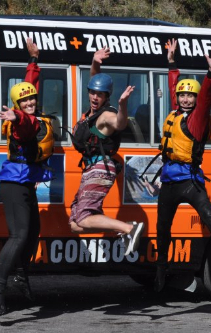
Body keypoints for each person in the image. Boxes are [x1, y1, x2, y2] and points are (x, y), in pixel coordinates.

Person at [153, 39, 211, 292]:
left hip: (190, 180)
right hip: (170, 180)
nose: (187, 99)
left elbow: (206, 98)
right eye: (183, 95)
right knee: (162, 228)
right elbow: (173, 88)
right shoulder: (175, 113)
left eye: (191, 95)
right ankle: (161, 269)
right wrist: (171, 63)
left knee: (209, 216)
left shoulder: (197, 120)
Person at [0, 39, 54, 315]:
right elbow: (26, 125)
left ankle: (21, 274)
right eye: (24, 101)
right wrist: (16, 117)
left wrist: (33, 61)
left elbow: (27, 88)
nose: (29, 102)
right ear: (17, 105)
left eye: (32, 99)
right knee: (19, 235)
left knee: (33, 233)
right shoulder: (22, 123)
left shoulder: (30, 109)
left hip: (25, 181)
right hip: (14, 183)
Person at [69, 47, 143, 256]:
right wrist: (95, 61)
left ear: (106, 97)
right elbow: (96, 78)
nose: (94, 97)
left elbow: (119, 123)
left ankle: (129, 228)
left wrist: (123, 105)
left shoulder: (106, 115)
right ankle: (125, 227)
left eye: (100, 94)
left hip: (101, 167)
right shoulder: (93, 110)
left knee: (83, 218)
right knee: (75, 223)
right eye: (92, 92)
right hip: (91, 168)